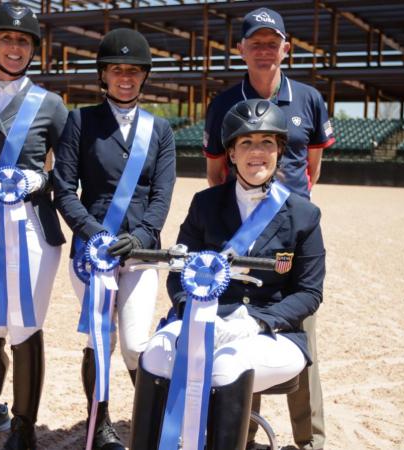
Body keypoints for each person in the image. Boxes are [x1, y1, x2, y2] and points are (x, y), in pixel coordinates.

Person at [130, 99, 326, 450]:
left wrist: (258, 323)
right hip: (203, 320)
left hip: (272, 334)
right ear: (231, 154)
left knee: (225, 365)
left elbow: (309, 293)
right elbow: (180, 272)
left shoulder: (304, 214)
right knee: (155, 353)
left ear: (279, 151)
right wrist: (193, 312)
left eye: (267, 143)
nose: (257, 152)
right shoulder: (205, 204)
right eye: (246, 143)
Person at [202, 7, 334, 449]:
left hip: (291, 232)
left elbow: (312, 166)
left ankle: (309, 438)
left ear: (286, 48)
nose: (264, 50)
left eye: (271, 42)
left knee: (301, 327)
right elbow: (216, 173)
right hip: (240, 230)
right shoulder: (222, 103)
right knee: (238, 322)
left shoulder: (310, 99)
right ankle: (241, 429)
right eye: (255, 42)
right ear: (241, 49)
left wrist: (288, 209)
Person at [52, 28, 176, 450]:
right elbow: (64, 189)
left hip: (141, 254)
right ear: (103, 75)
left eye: (134, 70)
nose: (125, 77)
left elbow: (161, 195)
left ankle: (147, 422)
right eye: (116, 69)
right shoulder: (80, 121)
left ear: (145, 76)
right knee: (99, 338)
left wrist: (141, 235)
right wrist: (94, 234)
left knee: (137, 343)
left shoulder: (161, 131)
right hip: (92, 255)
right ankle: (100, 424)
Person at [0, 3, 67, 450]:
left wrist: (40, 177)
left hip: (33, 229)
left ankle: (24, 425)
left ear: (33, 49)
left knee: (26, 322)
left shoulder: (51, 105)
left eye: (23, 40)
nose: (15, 46)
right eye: (7, 38)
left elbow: (73, 170)